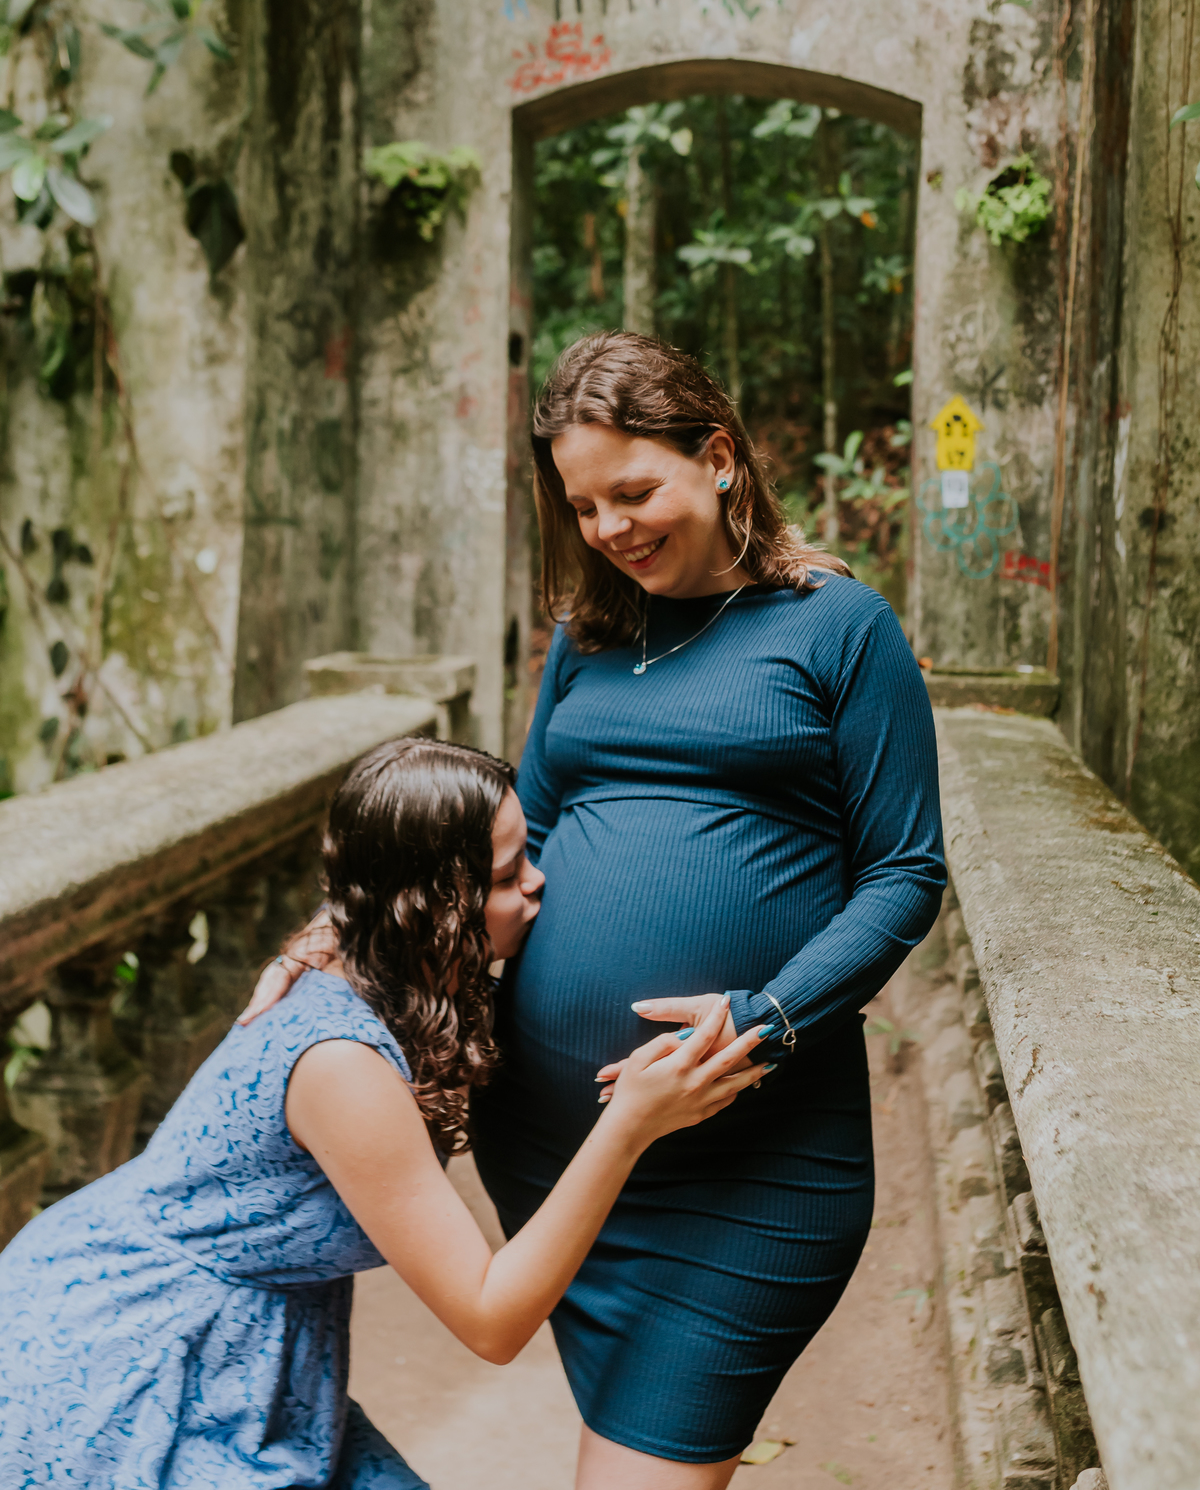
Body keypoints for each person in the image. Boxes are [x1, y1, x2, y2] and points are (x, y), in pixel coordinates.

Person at [248, 331, 946, 1490]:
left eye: (635, 490)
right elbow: (519, 842)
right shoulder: (587, 637)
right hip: (558, 1155)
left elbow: (905, 873)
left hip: (749, 1167)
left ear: (718, 457)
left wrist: (766, 1016)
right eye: (584, 507)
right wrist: (348, 933)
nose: (612, 528)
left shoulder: (839, 629)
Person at [0, 735, 767, 1488]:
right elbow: (491, 1319)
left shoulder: (385, 958)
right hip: (136, 1347)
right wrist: (628, 1127)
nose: (537, 885)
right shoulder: (343, 1067)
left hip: (263, 1343)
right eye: (506, 875)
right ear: (432, 909)